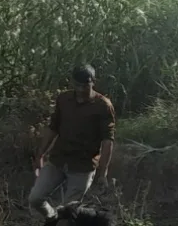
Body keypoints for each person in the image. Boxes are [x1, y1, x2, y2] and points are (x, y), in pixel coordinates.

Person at [28, 64, 116, 219]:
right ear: (72, 83)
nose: (81, 89)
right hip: (58, 160)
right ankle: (52, 219)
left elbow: (107, 141)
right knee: (35, 198)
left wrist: (103, 173)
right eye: (77, 85)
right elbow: (53, 128)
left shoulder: (103, 106)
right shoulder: (64, 99)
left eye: (85, 85)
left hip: (82, 167)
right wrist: (40, 154)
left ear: (93, 82)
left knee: (68, 213)